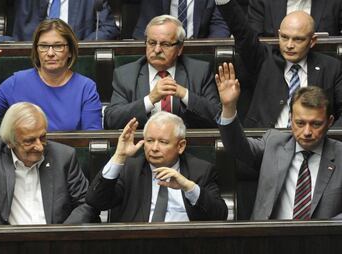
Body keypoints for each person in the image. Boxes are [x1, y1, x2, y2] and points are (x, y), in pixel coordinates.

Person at [0, 58, 98, 225]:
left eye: (42, 137)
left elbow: (86, 203)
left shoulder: (63, 156)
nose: (39, 146)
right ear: (10, 141)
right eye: (29, 141)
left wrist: (61, 235)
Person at [216, 62, 342, 220]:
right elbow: (236, 147)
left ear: (330, 122)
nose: (307, 132)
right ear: (290, 119)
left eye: (316, 124)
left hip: (324, 242)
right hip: (270, 239)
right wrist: (229, 107)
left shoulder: (340, 155)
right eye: (300, 123)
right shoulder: (273, 143)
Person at [214, 0, 342, 128]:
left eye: (298, 39)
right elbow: (242, 32)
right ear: (279, 35)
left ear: (312, 41)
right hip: (266, 143)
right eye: (285, 37)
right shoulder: (265, 60)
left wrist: (326, 140)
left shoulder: (331, 68)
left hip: (314, 142)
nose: (289, 45)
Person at [86, 112, 227, 222]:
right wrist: (119, 156)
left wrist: (189, 187)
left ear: (180, 146)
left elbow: (220, 215)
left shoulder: (201, 170)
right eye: (149, 140)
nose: (154, 148)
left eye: (163, 142)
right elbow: (96, 201)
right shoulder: (130, 169)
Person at [0, 19, 102, 131]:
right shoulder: (18, 82)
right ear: (36, 51)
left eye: (58, 46)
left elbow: (91, 138)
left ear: (70, 51)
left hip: (68, 158)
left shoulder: (86, 87)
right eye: (44, 46)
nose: (50, 53)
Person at [104, 15, 220, 129]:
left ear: (179, 48)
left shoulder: (199, 72)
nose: (157, 50)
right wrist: (150, 100)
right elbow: (112, 120)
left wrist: (184, 94)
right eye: (152, 43)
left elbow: (218, 116)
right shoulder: (126, 74)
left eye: (165, 44)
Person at [0, 0, 119, 41]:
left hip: (75, 61)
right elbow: (19, 41)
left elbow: (109, 29)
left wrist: (74, 46)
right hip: (32, 62)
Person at [132, 0, 230, 39]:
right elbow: (146, 27)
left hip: (198, 52)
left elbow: (220, 26)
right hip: (163, 49)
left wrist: (207, 51)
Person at [248, 0, 342, 37]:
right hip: (275, 69)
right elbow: (253, 43)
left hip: (324, 71)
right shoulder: (262, 2)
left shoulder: (335, 3)